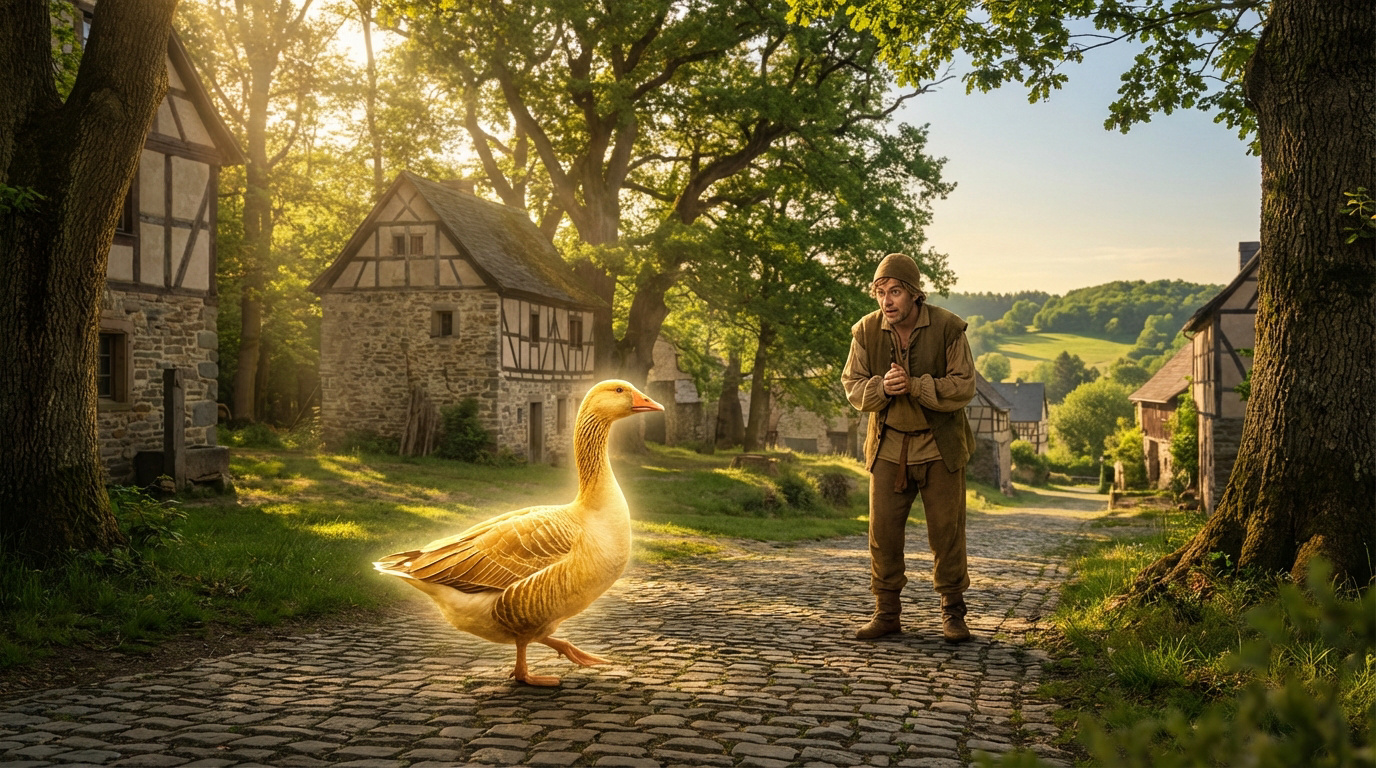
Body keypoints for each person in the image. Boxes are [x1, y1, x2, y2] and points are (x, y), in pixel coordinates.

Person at [841, 252, 976, 643]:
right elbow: (852, 385)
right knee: (882, 533)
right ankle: (886, 613)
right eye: (880, 292)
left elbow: (964, 385)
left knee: (947, 534)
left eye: (895, 291)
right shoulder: (865, 332)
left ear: (915, 294)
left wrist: (917, 386)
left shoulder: (949, 328)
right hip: (887, 447)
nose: (887, 301)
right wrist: (882, 387)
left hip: (939, 448)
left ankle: (953, 613)